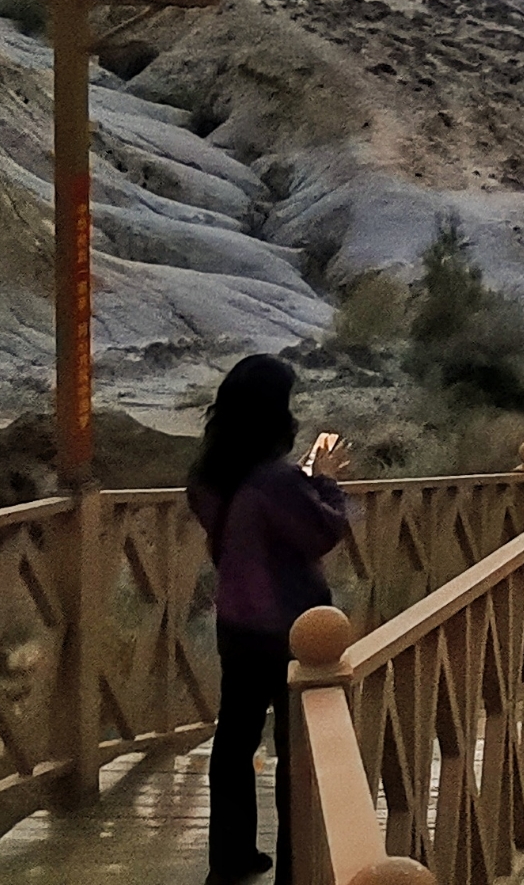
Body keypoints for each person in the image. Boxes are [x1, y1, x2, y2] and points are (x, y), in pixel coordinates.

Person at [188, 353, 351, 885]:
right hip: (291, 630)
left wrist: (300, 481)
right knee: (295, 753)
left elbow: (244, 530)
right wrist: (324, 480)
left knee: (234, 742)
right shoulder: (273, 481)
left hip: (235, 623)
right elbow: (321, 531)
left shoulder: (210, 476)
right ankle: (295, 867)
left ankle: (229, 859)